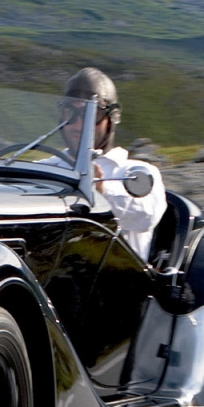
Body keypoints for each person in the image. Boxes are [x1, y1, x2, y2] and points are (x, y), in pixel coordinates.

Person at [58, 67, 166, 262]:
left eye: (91, 114)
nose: (78, 124)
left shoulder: (137, 172)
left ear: (112, 117)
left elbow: (145, 217)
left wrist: (101, 190)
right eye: (70, 112)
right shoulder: (47, 167)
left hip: (117, 283)